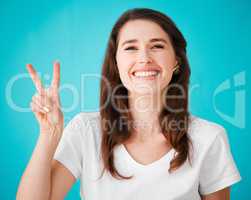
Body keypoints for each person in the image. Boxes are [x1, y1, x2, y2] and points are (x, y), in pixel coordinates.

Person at [16, 8, 241, 200]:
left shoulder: (208, 137)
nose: (144, 58)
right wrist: (49, 133)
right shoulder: (86, 130)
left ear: (176, 62)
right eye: (131, 48)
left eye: (157, 46)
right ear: (116, 62)